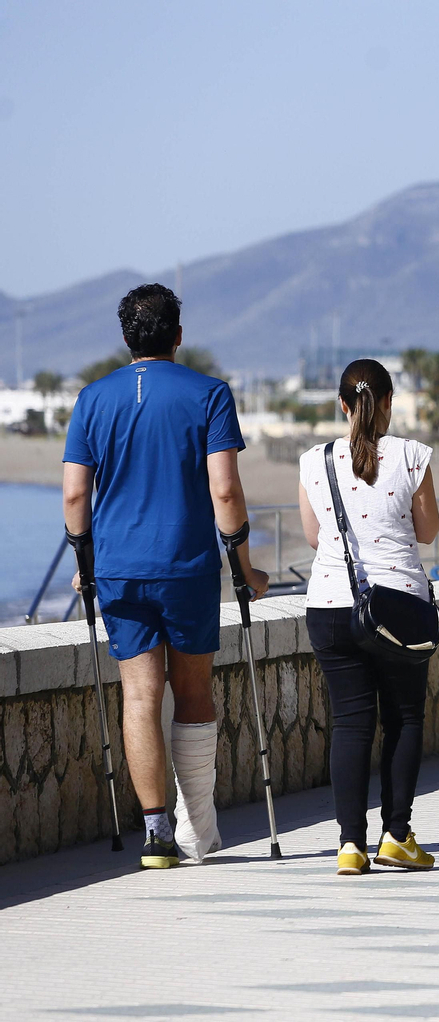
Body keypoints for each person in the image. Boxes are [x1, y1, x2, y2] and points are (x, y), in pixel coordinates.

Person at [62, 283, 269, 869]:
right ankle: (197, 831)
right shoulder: (210, 394)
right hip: (188, 567)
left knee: (140, 694)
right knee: (194, 691)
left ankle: (155, 834)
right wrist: (246, 570)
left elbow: (76, 492)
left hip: (120, 572)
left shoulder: (92, 399)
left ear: (126, 337)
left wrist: (85, 563)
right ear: (179, 335)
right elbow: (225, 489)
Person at [297, 359, 439, 874]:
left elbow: (315, 538)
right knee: (404, 717)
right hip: (397, 606)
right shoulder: (411, 456)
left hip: (331, 606)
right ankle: (396, 837)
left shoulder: (314, 461)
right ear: (387, 402)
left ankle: (350, 845)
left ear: (342, 405)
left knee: (351, 723)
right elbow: (427, 531)